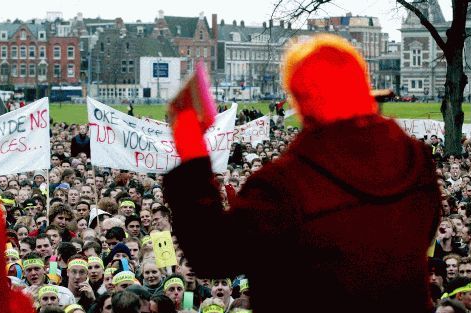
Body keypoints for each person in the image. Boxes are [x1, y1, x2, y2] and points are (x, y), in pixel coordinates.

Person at [163, 34, 441, 312]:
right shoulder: (417, 160)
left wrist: (189, 140)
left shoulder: (283, 185)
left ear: (300, 102)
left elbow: (211, 255)